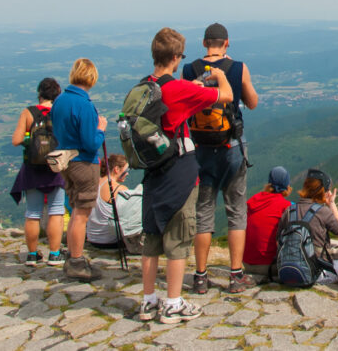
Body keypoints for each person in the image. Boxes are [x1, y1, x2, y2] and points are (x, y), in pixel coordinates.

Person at [138, 27, 232, 324]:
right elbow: (226, 96)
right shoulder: (180, 89)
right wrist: (219, 76)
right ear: (177, 57)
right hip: (178, 174)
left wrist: (191, 84)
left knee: (152, 239)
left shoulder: (144, 86)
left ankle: (149, 300)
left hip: (152, 174)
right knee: (178, 239)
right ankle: (173, 303)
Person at [183, 22, 261, 294]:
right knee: (236, 211)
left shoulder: (189, 69)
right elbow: (251, 103)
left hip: (200, 149)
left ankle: (200, 276)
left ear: (204, 43)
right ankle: (236, 275)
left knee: (203, 211)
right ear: (227, 43)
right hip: (231, 148)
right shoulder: (238, 67)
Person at [51, 58, 107, 282]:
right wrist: (101, 129)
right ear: (92, 77)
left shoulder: (61, 100)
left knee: (75, 209)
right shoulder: (83, 104)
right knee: (81, 214)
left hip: (65, 160)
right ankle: (76, 261)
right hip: (84, 162)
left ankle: (74, 258)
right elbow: (90, 142)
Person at [8, 77, 66, 266]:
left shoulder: (28, 112)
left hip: (32, 168)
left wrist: (29, 138)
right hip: (56, 168)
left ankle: (32, 255)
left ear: (39, 93)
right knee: (56, 211)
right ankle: (55, 254)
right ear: (57, 94)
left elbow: (16, 140)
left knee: (33, 212)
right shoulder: (60, 112)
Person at [280, 168, 338, 283]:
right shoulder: (323, 212)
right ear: (324, 191)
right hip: (317, 272)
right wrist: (331, 203)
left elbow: (278, 241)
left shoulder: (289, 210)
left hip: (289, 268)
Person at [242, 166, 293, 281]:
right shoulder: (285, 206)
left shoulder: (254, 200)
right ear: (287, 186)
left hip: (246, 262)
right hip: (269, 266)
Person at [86, 154, 144, 255]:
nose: (127, 174)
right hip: (111, 241)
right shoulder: (119, 189)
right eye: (126, 171)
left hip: (93, 238)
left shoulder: (94, 183)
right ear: (116, 169)